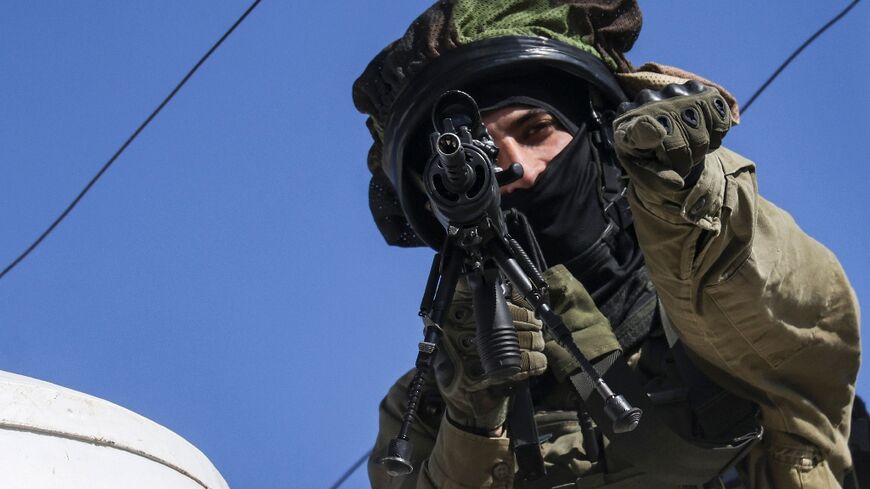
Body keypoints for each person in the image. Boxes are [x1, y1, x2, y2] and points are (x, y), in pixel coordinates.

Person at [352, 1, 861, 488]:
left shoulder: (702, 298)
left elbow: (802, 322)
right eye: (477, 168)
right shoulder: (425, 409)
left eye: (536, 129)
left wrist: (689, 190)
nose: (520, 172)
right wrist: (474, 422)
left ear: (598, 131)